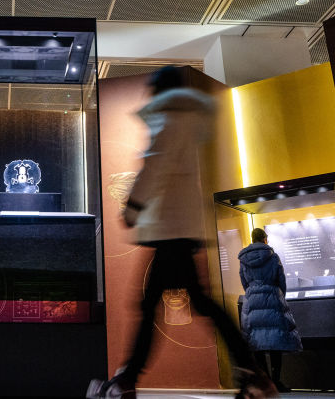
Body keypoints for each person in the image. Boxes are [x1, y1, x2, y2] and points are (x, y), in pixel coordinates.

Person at [88, 66, 276, 399]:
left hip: (170, 231)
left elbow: (155, 164)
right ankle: (251, 375)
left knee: (154, 306)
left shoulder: (171, 118)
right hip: (179, 229)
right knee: (189, 303)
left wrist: (133, 207)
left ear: (161, 91)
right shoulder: (188, 120)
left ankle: (127, 380)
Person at [239, 228, 302, 392]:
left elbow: (244, 281)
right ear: (264, 239)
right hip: (272, 297)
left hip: (252, 300)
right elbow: (281, 279)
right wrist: (280, 295)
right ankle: (276, 380)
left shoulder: (243, 259)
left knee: (256, 343)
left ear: (252, 239)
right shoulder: (273, 256)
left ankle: (265, 381)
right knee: (276, 341)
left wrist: (252, 292)